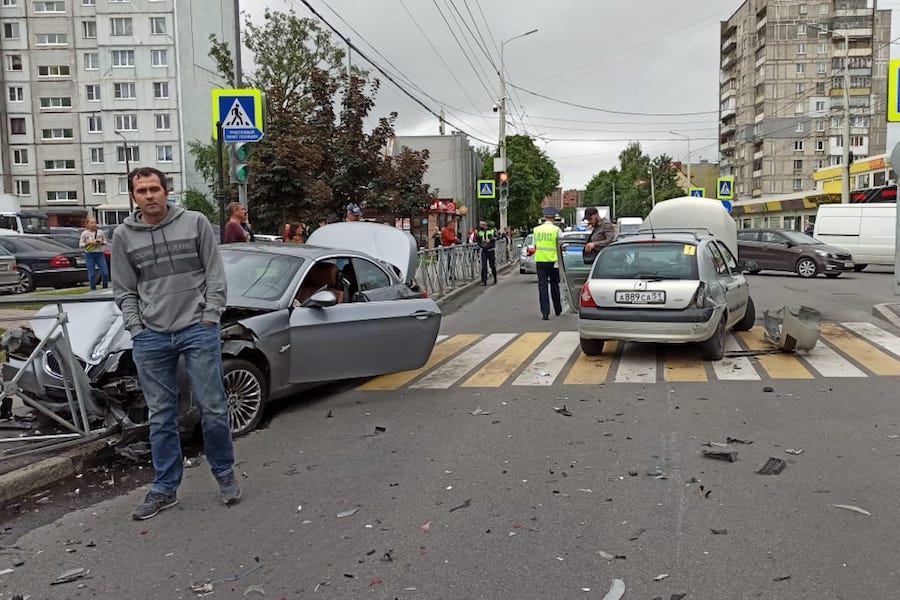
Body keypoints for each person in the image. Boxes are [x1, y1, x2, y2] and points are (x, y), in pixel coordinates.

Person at [112, 167, 239, 520]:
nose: (149, 195)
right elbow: (123, 289)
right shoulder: (123, 235)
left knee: (212, 407)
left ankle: (224, 473)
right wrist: (136, 328)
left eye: (155, 188)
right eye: (142, 191)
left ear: (167, 191)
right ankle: (165, 488)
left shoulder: (195, 223)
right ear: (134, 197)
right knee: (161, 415)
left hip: (197, 328)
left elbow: (215, 274)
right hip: (151, 335)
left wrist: (211, 315)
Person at [533, 207, 563, 320]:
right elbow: (562, 246)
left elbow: (536, 245)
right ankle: (558, 309)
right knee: (555, 286)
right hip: (553, 261)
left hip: (540, 261)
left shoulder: (536, 230)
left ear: (544, 217)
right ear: (554, 217)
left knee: (542, 287)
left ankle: (545, 313)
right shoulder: (556, 230)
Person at [79, 217, 109, 291]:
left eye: (95, 222)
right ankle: (93, 289)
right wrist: (88, 243)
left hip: (99, 254)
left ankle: (105, 288)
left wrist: (100, 243)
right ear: (87, 224)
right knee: (92, 274)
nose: (94, 224)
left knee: (105, 273)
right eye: (92, 223)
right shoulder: (85, 233)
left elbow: (105, 242)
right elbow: (80, 245)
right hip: (90, 254)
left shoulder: (100, 232)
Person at [477, 220, 497, 286]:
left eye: (481, 225)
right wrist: (482, 245)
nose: (480, 226)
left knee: (492, 265)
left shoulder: (491, 231)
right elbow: (478, 242)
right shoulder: (479, 232)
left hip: (491, 250)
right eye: (480, 225)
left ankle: (495, 278)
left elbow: (496, 237)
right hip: (484, 251)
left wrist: (490, 239)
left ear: (485, 225)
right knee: (484, 266)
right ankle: (484, 281)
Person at [441, 217, 459, 282]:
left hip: (452, 248)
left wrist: (455, 239)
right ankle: (447, 275)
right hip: (447, 248)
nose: (453, 226)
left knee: (453, 262)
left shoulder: (452, 231)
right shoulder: (445, 231)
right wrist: (455, 239)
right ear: (449, 225)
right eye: (452, 225)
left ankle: (452, 274)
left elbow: (453, 237)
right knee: (448, 262)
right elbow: (449, 238)